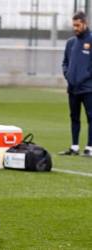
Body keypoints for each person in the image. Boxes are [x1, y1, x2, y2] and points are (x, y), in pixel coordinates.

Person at [60, 11, 92, 157]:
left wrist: (85, 77)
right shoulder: (71, 42)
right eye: (74, 25)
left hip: (88, 88)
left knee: (90, 117)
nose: (75, 28)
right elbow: (65, 62)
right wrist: (67, 75)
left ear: (85, 24)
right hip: (72, 88)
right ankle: (74, 147)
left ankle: (89, 148)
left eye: (78, 25)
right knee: (74, 117)